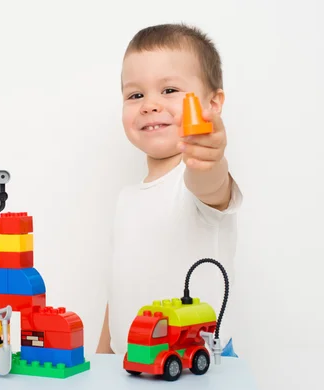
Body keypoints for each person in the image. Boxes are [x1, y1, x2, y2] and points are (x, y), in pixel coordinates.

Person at [96, 23, 243, 355]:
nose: (149, 104)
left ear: (213, 103)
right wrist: (103, 356)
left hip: (196, 366)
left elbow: (211, 185)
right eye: (136, 95)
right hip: (133, 365)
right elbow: (120, 290)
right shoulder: (127, 199)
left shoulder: (195, 180)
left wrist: (209, 157)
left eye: (169, 90)